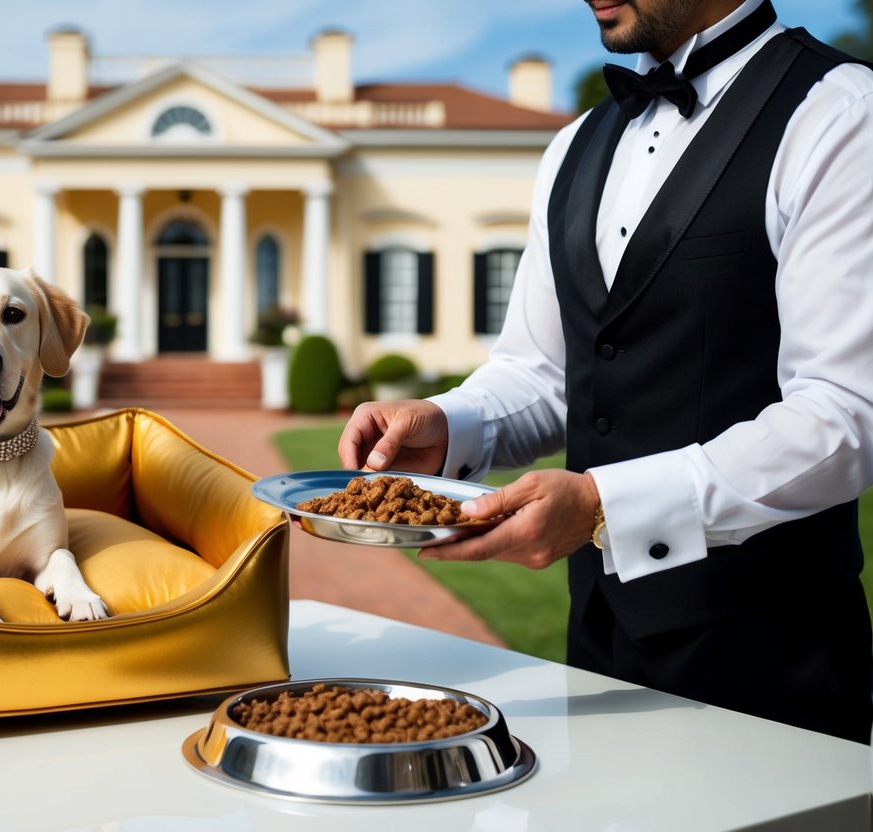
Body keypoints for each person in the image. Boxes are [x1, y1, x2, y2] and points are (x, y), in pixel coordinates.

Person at [339, 0, 873, 744]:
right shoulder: (573, 146)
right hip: (593, 647)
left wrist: (600, 506)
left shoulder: (842, 114)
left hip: (775, 662)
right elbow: (544, 371)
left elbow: (845, 417)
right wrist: (448, 425)